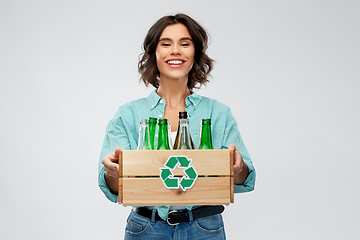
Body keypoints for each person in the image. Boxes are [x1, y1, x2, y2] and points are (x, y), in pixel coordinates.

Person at [98, 13, 256, 240]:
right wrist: (112, 172)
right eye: (166, 44)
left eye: (185, 43)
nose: (175, 51)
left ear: (196, 53)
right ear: (154, 53)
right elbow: (113, 186)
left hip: (204, 228)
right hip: (146, 227)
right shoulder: (128, 115)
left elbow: (244, 177)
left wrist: (238, 168)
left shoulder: (218, 113)